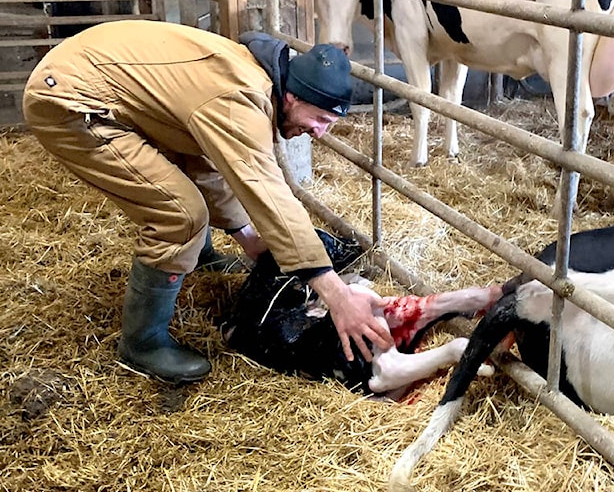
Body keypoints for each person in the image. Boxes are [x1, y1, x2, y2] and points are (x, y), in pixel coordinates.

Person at [22, 19, 394, 385]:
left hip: (86, 76)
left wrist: (246, 235)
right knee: (180, 214)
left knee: (192, 183)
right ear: (294, 97)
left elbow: (206, 162)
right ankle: (143, 342)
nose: (318, 132)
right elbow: (268, 194)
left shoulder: (252, 84)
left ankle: (198, 256)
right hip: (70, 100)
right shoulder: (240, 100)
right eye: (319, 119)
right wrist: (339, 298)